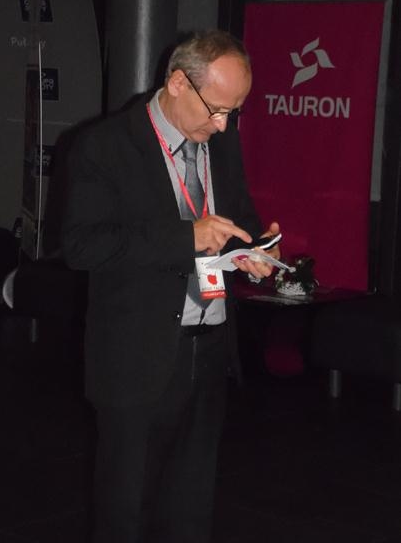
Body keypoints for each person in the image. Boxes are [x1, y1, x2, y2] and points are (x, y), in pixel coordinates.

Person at [62, 29, 280, 543]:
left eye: (233, 112)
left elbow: (238, 217)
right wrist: (187, 237)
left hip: (209, 350)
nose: (222, 125)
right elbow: (82, 246)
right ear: (179, 82)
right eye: (216, 109)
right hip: (136, 357)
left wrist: (255, 249)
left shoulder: (220, 142)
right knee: (125, 512)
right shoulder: (105, 145)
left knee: (191, 510)